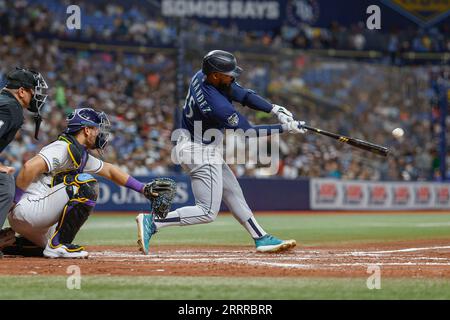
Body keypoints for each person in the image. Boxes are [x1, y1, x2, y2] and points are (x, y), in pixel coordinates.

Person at [136, 50, 306, 254]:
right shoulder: (216, 104)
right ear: (216, 75)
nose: (232, 76)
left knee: (233, 191)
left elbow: (243, 95)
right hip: (197, 150)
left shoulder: (201, 76)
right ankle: (153, 221)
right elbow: (248, 131)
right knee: (207, 211)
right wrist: (285, 128)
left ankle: (261, 237)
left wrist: (274, 109)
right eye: (228, 73)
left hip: (197, 145)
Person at [5, 107, 171, 258]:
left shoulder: (79, 154)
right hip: (29, 210)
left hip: (33, 220)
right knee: (85, 184)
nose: (100, 133)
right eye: (96, 128)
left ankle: (11, 243)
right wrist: (13, 202)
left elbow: (110, 170)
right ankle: (59, 244)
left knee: (42, 249)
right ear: (86, 130)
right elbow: (29, 167)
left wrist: (143, 189)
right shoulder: (62, 147)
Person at [0, 68, 48, 259]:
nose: (36, 96)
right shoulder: (10, 107)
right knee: (4, 184)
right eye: (32, 91)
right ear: (21, 91)